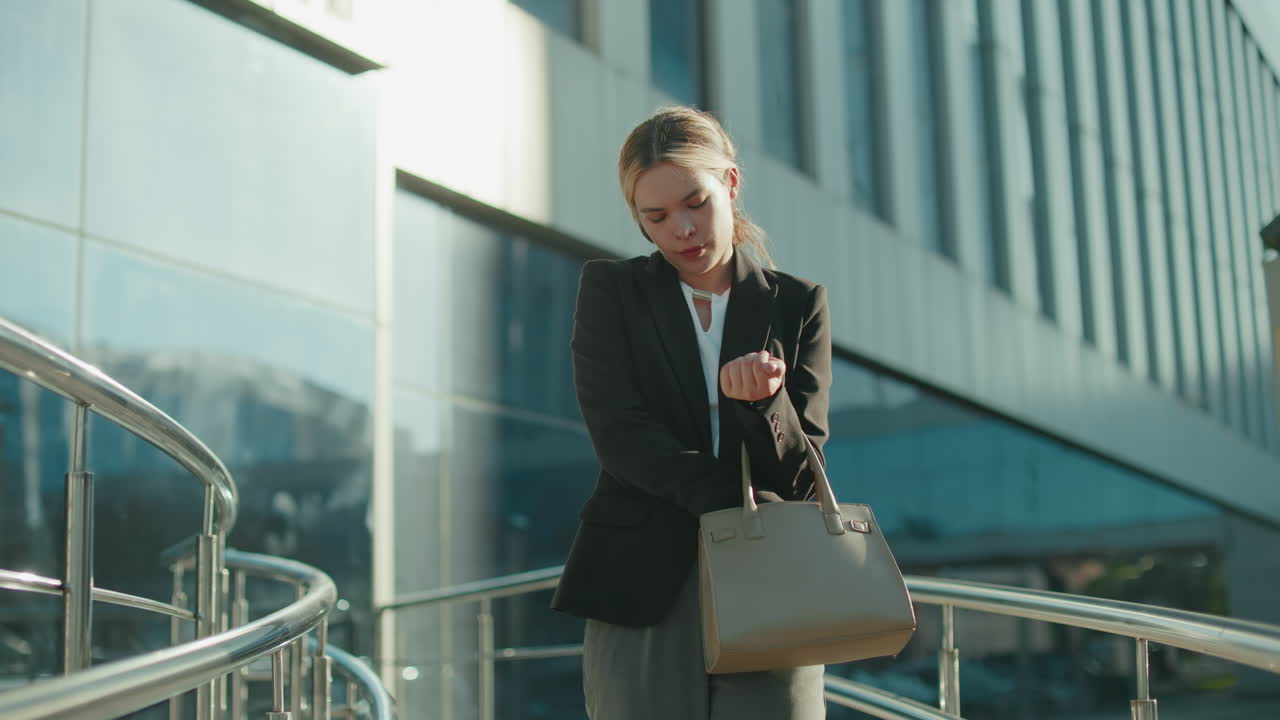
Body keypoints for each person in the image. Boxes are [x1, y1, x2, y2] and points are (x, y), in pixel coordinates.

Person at [550, 106, 833, 719]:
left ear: (730, 185)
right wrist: (730, 503)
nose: (682, 229)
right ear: (639, 221)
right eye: (656, 217)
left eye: (696, 203)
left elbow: (800, 471)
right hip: (643, 575)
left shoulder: (797, 305)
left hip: (771, 576)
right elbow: (620, 436)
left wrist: (767, 402)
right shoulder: (611, 292)